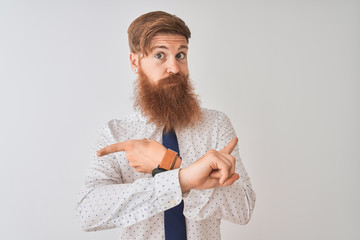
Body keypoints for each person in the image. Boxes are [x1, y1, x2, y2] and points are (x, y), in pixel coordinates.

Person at [76, 11, 256, 240]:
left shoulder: (216, 125)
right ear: (135, 62)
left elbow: (244, 209)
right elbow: (88, 212)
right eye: (160, 55)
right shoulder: (114, 133)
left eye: (180, 55)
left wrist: (169, 167)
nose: (174, 68)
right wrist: (183, 179)